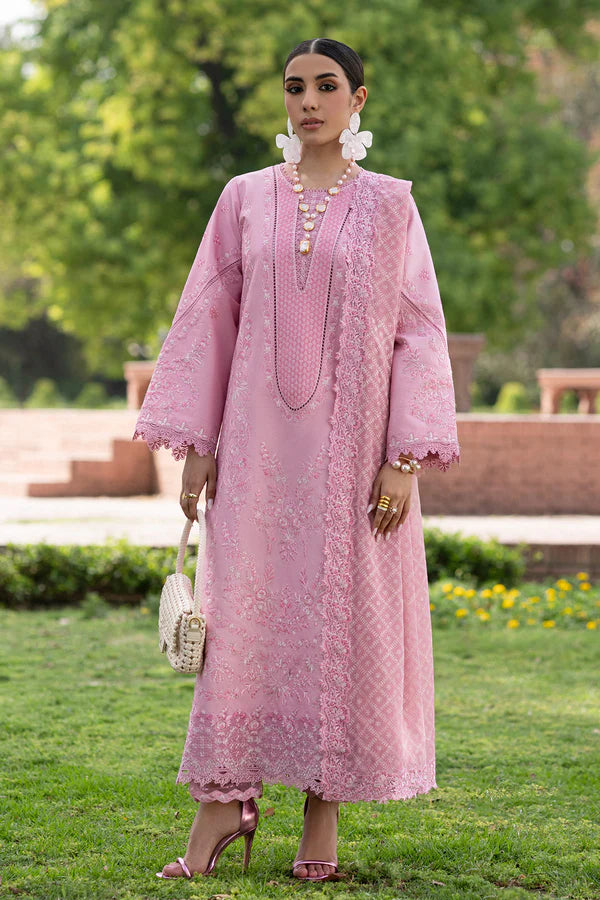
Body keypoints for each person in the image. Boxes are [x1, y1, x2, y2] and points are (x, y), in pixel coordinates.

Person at [133, 37, 460, 884]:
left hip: (356, 461)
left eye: (326, 86)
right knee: (241, 619)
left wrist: (405, 459)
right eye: (294, 87)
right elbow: (207, 316)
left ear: (359, 99)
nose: (308, 101)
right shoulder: (243, 199)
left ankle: (323, 816)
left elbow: (419, 332)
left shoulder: (391, 207)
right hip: (256, 456)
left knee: (339, 621)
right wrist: (197, 447)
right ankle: (222, 806)